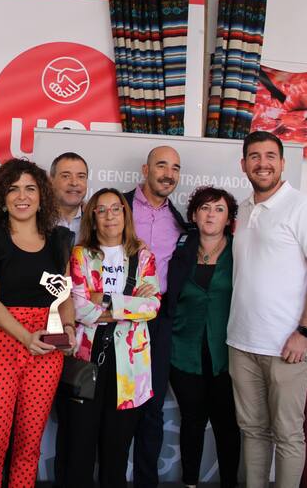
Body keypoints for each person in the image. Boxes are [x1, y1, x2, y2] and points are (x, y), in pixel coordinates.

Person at [228, 131, 307, 488]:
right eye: (254, 157)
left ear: (283, 163)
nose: (263, 164)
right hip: (242, 343)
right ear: (243, 164)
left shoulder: (304, 206)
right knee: (252, 430)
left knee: (288, 434)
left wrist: (304, 332)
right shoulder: (244, 208)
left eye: (270, 156)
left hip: (288, 346)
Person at [0, 158, 75, 488]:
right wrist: (25, 336)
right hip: (2, 342)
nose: (22, 196)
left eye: (30, 188)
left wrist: (69, 329)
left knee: (29, 443)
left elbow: (65, 295)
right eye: (13, 189)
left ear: (42, 196)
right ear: (2, 198)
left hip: (47, 349)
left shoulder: (60, 240)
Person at [56, 188, 160, 488]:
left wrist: (104, 300)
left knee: (116, 451)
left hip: (129, 365)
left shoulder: (143, 256)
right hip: (86, 359)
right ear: (93, 217)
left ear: (125, 214)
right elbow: (77, 306)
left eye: (116, 208)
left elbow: (152, 306)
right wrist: (129, 305)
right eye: (101, 210)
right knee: (79, 446)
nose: (109, 215)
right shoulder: (80, 255)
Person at [123, 145, 188, 488]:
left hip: (158, 321)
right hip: (115, 318)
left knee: (152, 407)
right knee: (116, 406)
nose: (168, 174)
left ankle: (146, 482)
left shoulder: (180, 222)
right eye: (161, 166)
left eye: (175, 168)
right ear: (145, 170)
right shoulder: (117, 205)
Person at [168, 186, 241, 488]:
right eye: (205, 208)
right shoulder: (179, 250)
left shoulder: (241, 252)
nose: (211, 215)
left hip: (228, 355)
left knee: (227, 425)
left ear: (229, 219)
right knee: (192, 421)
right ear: (194, 215)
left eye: (219, 209)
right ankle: (190, 482)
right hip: (183, 353)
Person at [50, 152, 88, 237]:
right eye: (66, 176)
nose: (74, 183)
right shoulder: (35, 219)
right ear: (51, 180)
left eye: (81, 176)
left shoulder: (96, 221)